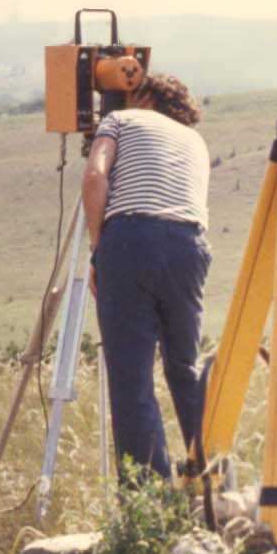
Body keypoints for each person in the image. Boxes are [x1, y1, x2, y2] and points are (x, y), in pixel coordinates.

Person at [80, 72, 212, 482]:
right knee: (183, 366)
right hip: (189, 245)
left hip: (131, 239)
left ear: (145, 98)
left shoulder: (121, 121)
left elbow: (95, 176)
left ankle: (149, 497)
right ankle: (209, 477)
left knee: (131, 376)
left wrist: (98, 249)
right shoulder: (196, 142)